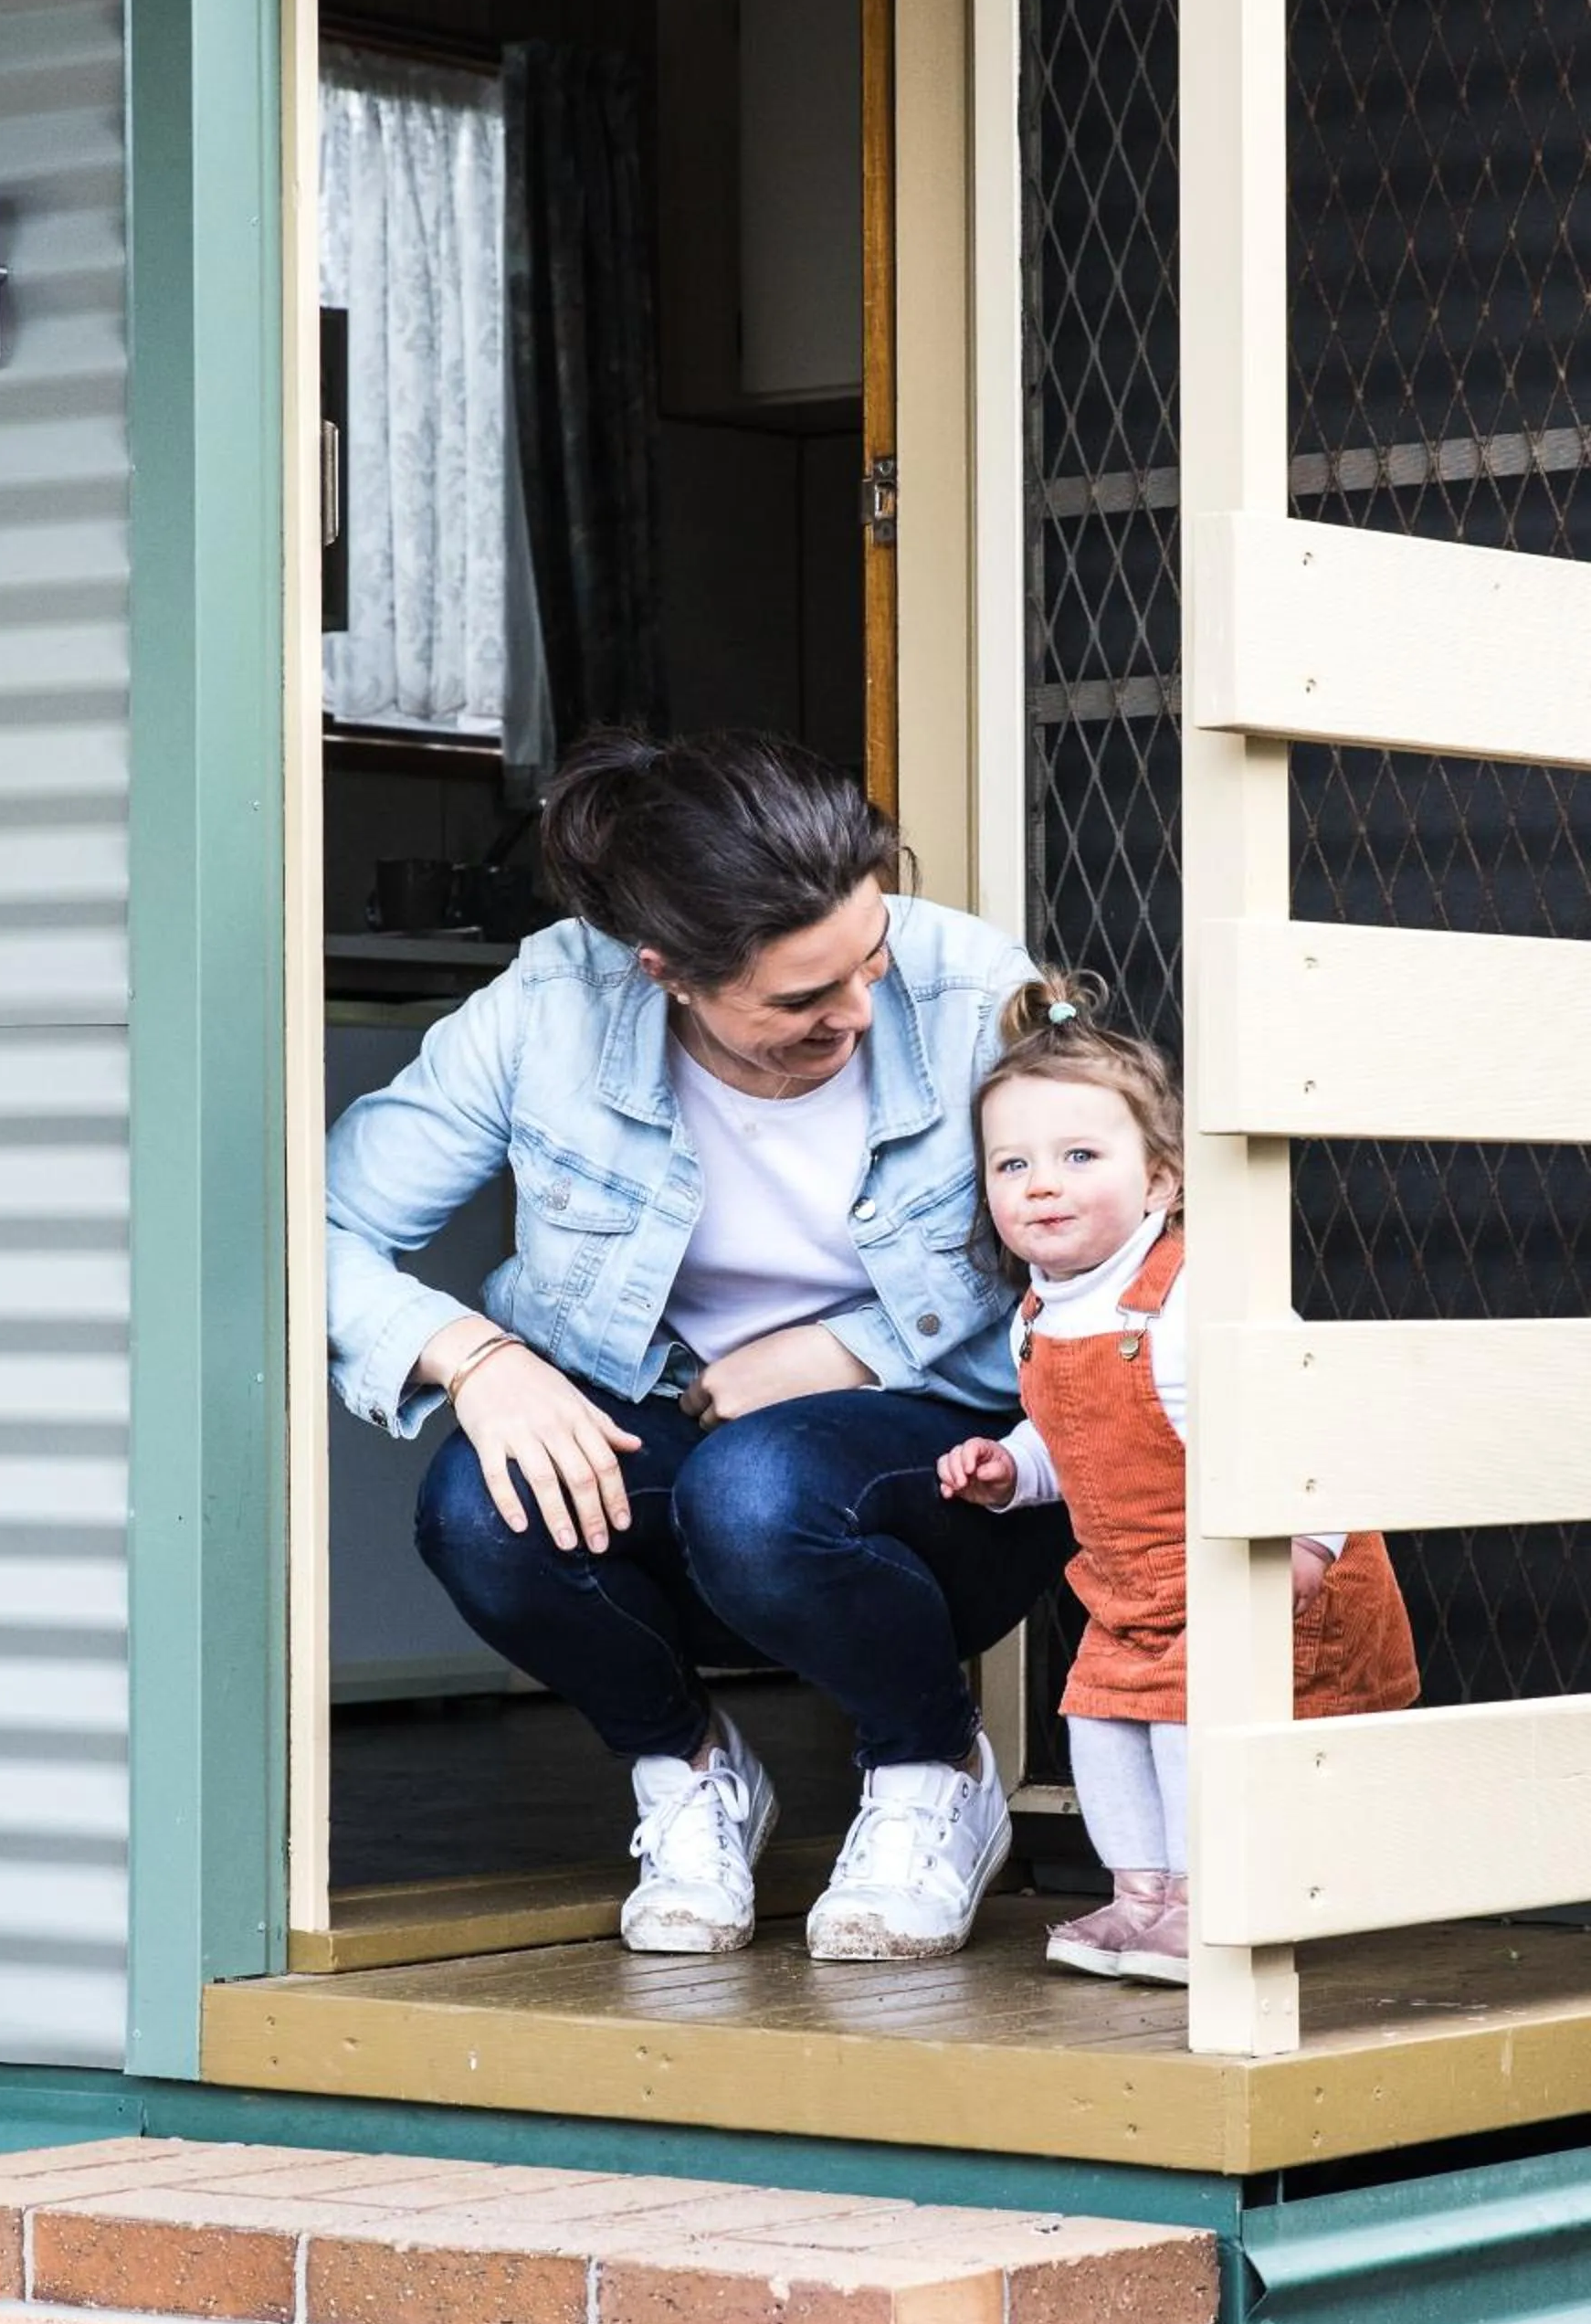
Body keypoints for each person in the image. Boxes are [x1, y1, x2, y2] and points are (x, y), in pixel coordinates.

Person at [327, 730, 1073, 1962]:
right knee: (479, 1507)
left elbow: (1124, 1240)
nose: (858, 1011)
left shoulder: (972, 984)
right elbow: (320, 1217)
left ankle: (931, 1767)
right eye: (802, 999)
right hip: (676, 1423)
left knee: (760, 1483)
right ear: (665, 969)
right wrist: (477, 1358)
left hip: (953, 1457)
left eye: (870, 961)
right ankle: (687, 1770)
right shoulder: (550, 1008)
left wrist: (851, 1349)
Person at [937, 974, 1418, 1982]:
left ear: (1158, 1181)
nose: (1039, 1184)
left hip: (1256, 1571)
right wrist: (1008, 1469)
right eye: (1009, 1163)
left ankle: (1212, 1901)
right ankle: (1139, 1898)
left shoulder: (1195, 1302)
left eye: (1078, 1157)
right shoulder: (1042, 1312)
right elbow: (1066, 1435)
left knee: (1185, 1732)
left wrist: (1307, 1544)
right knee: (1100, 1725)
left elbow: (1309, 1423)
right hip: (1134, 1588)